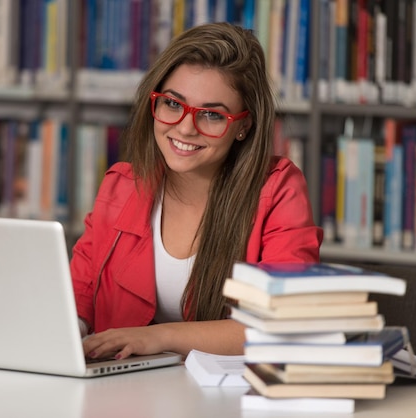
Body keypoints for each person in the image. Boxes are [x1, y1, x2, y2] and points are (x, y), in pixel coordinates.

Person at [70, 22, 323, 361]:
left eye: (211, 115)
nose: (186, 128)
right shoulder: (122, 185)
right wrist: (68, 328)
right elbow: (78, 298)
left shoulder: (277, 189)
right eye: (173, 104)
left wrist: (156, 338)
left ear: (244, 126)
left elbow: (279, 323)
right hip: (124, 396)